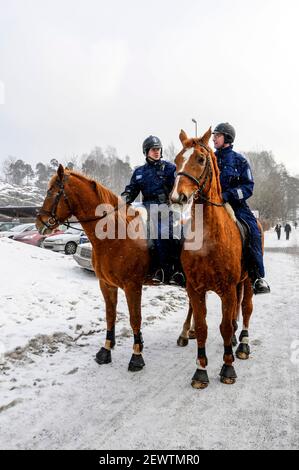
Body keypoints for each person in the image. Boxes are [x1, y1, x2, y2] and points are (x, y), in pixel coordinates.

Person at [212, 123, 270, 295]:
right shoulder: (209, 159)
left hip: (236, 205)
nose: (214, 138)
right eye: (214, 135)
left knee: (254, 230)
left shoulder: (240, 160)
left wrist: (228, 195)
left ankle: (257, 276)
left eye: (218, 135)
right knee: (190, 230)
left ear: (227, 138)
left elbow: (248, 187)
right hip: (210, 204)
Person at [121, 135, 185, 286]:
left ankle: (171, 270)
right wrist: (123, 199)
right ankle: (148, 267)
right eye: (153, 149)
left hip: (167, 207)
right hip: (146, 207)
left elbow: (179, 185)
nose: (157, 152)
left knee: (166, 232)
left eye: (158, 149)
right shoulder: (139, 172)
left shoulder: (170, 169)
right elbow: (131, 191)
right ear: (146, 152)